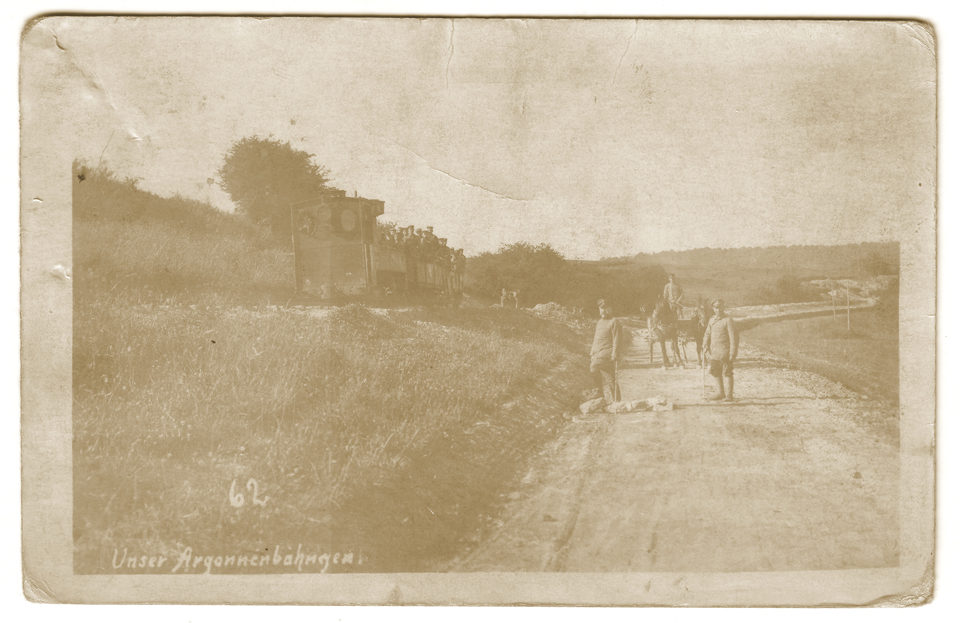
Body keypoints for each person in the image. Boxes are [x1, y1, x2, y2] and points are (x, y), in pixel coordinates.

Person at [702, 299, 739, 401]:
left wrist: (732, 352)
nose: (718, 309)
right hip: (714, 352)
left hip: (725, 352)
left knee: (727, 372)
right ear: (713, 309)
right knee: (715, 372)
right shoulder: (711, 320)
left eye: (720, 307)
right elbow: (707, 334)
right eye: (716, 307)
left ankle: (729, 395)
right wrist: (705, 343)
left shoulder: (728, 320)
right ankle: (720, 393)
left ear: (723, 307)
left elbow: (734, 337)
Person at [590, 299, 622, 403]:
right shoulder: (599, 322)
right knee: (609, 378)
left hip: (608, 352)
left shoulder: (614, 322)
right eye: (601, 308)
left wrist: (615, 354)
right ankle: (615, 400)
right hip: (597, 352)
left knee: (594, 366)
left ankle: (600, 393)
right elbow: (596, 339)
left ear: (611, 309)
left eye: (606, 308)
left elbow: (617, 339)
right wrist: (592, 352)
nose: (604, 311)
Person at [652, 297, 681, 369]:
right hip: (660, 325)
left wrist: (673, 301)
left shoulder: (669, 305)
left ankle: (678, 360)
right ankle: (664, 361)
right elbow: (656, 316)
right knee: (662, 344)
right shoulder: (659, 305)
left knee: (674, 311)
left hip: (671, 303)